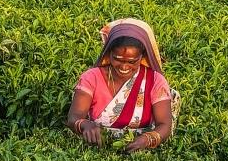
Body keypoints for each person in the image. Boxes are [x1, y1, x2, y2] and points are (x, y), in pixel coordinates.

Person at [67, 17, 176, 153]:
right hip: (96, 147)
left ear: (142, 58)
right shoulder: (92, 77)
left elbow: (165, 124)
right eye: (118, 59)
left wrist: (147, 139)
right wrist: (85, 125)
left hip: (140, 150)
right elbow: (74, 117)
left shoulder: (154, 81)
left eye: (132, 62)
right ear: (109, 53)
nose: (124, 66)